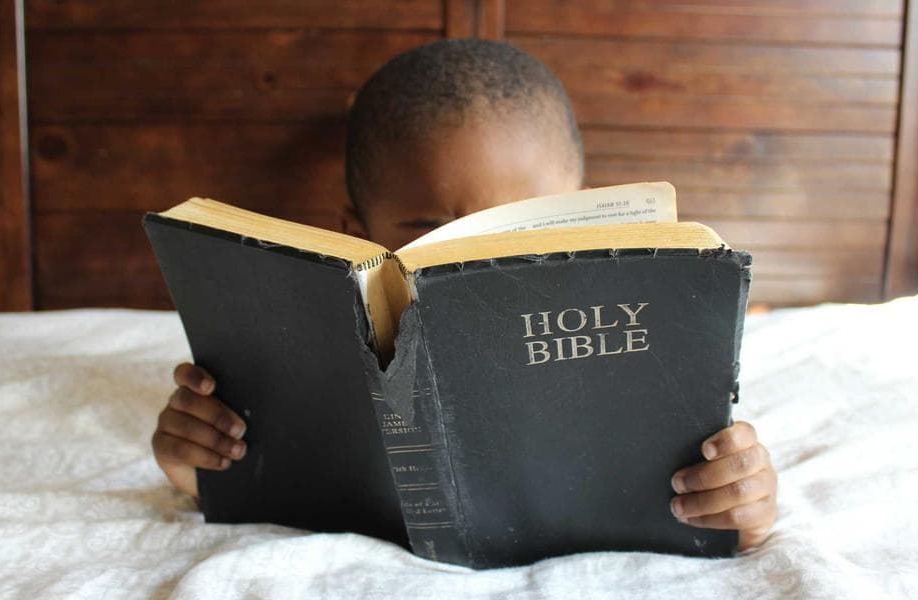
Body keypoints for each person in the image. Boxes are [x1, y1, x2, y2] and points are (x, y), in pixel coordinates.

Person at [151, 39, 778, 551]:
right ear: (355, 234)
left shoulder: (642, 340)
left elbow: (722, 495)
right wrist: (200, 465)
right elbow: (251, 473)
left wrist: (739, 504)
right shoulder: (308, 352)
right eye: (433, 235)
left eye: (526, 227)